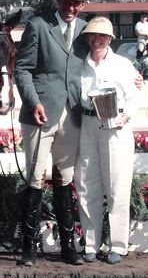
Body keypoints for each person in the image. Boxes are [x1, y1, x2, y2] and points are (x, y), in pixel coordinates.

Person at [14, 0, 90, 266]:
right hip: (40, 114)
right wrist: (33, 102)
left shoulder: (85, 31)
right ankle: (29, 249)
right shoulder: (38, 26)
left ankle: (68, 247)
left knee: (65, 180)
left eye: (76, 3)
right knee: (34, 179)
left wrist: (131, 74)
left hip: (72, 115)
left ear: (83, 5)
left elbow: (101, 62)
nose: (71, 7)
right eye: (67, 1)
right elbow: (22, 69)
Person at [75, 16, 140, 265]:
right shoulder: (81, 65)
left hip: (115, 127)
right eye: (93, 36)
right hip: (88, 125)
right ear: (87, 38)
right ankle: (91, 244)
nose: (97, 40)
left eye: (102, 36)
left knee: (116, 187)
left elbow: (133, 97)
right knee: (87, 187)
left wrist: (125, 117)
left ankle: (118, 245)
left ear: (110, 39)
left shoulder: (123, 65)